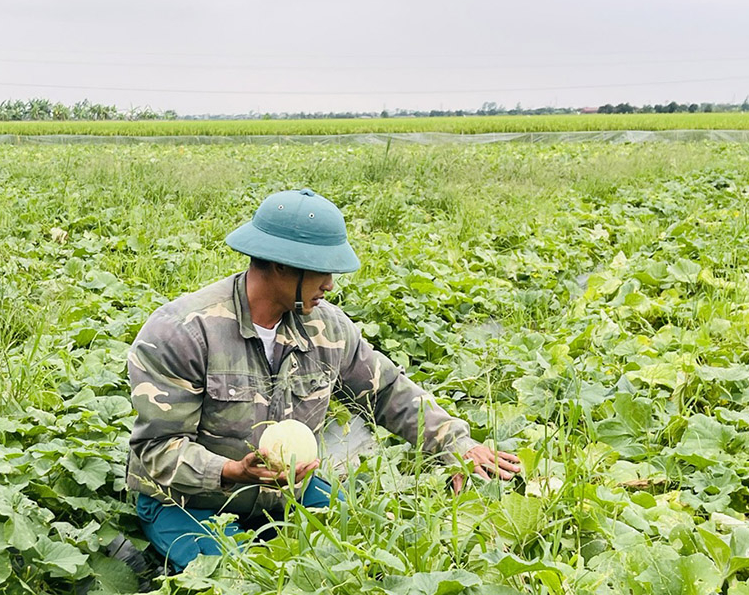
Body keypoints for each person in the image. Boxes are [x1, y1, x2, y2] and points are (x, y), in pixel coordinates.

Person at [126, 188, 520, 570]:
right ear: (281, 264)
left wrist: (456, 443)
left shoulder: (328, 329)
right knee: (237, 578)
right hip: (189, 501)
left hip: (288, 495)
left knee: (365, 554)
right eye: (321, 270)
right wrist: (232, 471)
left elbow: (386, 391)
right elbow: (156, 450)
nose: (330, 284)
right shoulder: (182, 332)